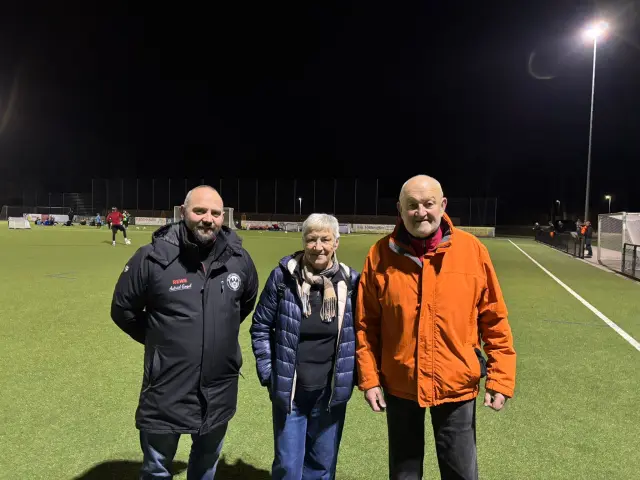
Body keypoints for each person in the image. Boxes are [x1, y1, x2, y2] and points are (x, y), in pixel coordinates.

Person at [355, 175, 516, 480]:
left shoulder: (472, 251)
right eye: (412, 205)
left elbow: (494, 319)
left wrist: (501, 378)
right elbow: (365, 325)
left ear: (442, 206)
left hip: (457, 384)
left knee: (461, 473)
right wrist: (370, 379)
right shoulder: (379, 255)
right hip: (400, 383)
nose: (421, 212)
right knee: (404, 475)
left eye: (428, 204)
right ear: (399, 209)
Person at [111, 185, 259, 480]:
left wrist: (213, 333)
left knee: (206, 465)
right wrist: (160, 339)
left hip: (219, 389)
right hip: (166, 388)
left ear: (223, 217)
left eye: (215, 213)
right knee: (157, 469)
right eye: (200, 211)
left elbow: (244, 304)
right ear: (183, 212)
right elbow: (123, 310)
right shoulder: (152, 258)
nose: (208, 219)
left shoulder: (239, 259)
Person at [250, 213, 360, 480]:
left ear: (336, 242)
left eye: (325, 239)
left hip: (330, 394)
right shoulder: (282, 278)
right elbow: (260, 326)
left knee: (321, 467)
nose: (318, 246)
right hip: (290, 393)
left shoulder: (350, 282)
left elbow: (362, 334)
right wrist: (269, 373)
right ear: (303, 241)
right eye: (311, 239)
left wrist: (353, 376)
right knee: (288, 467)